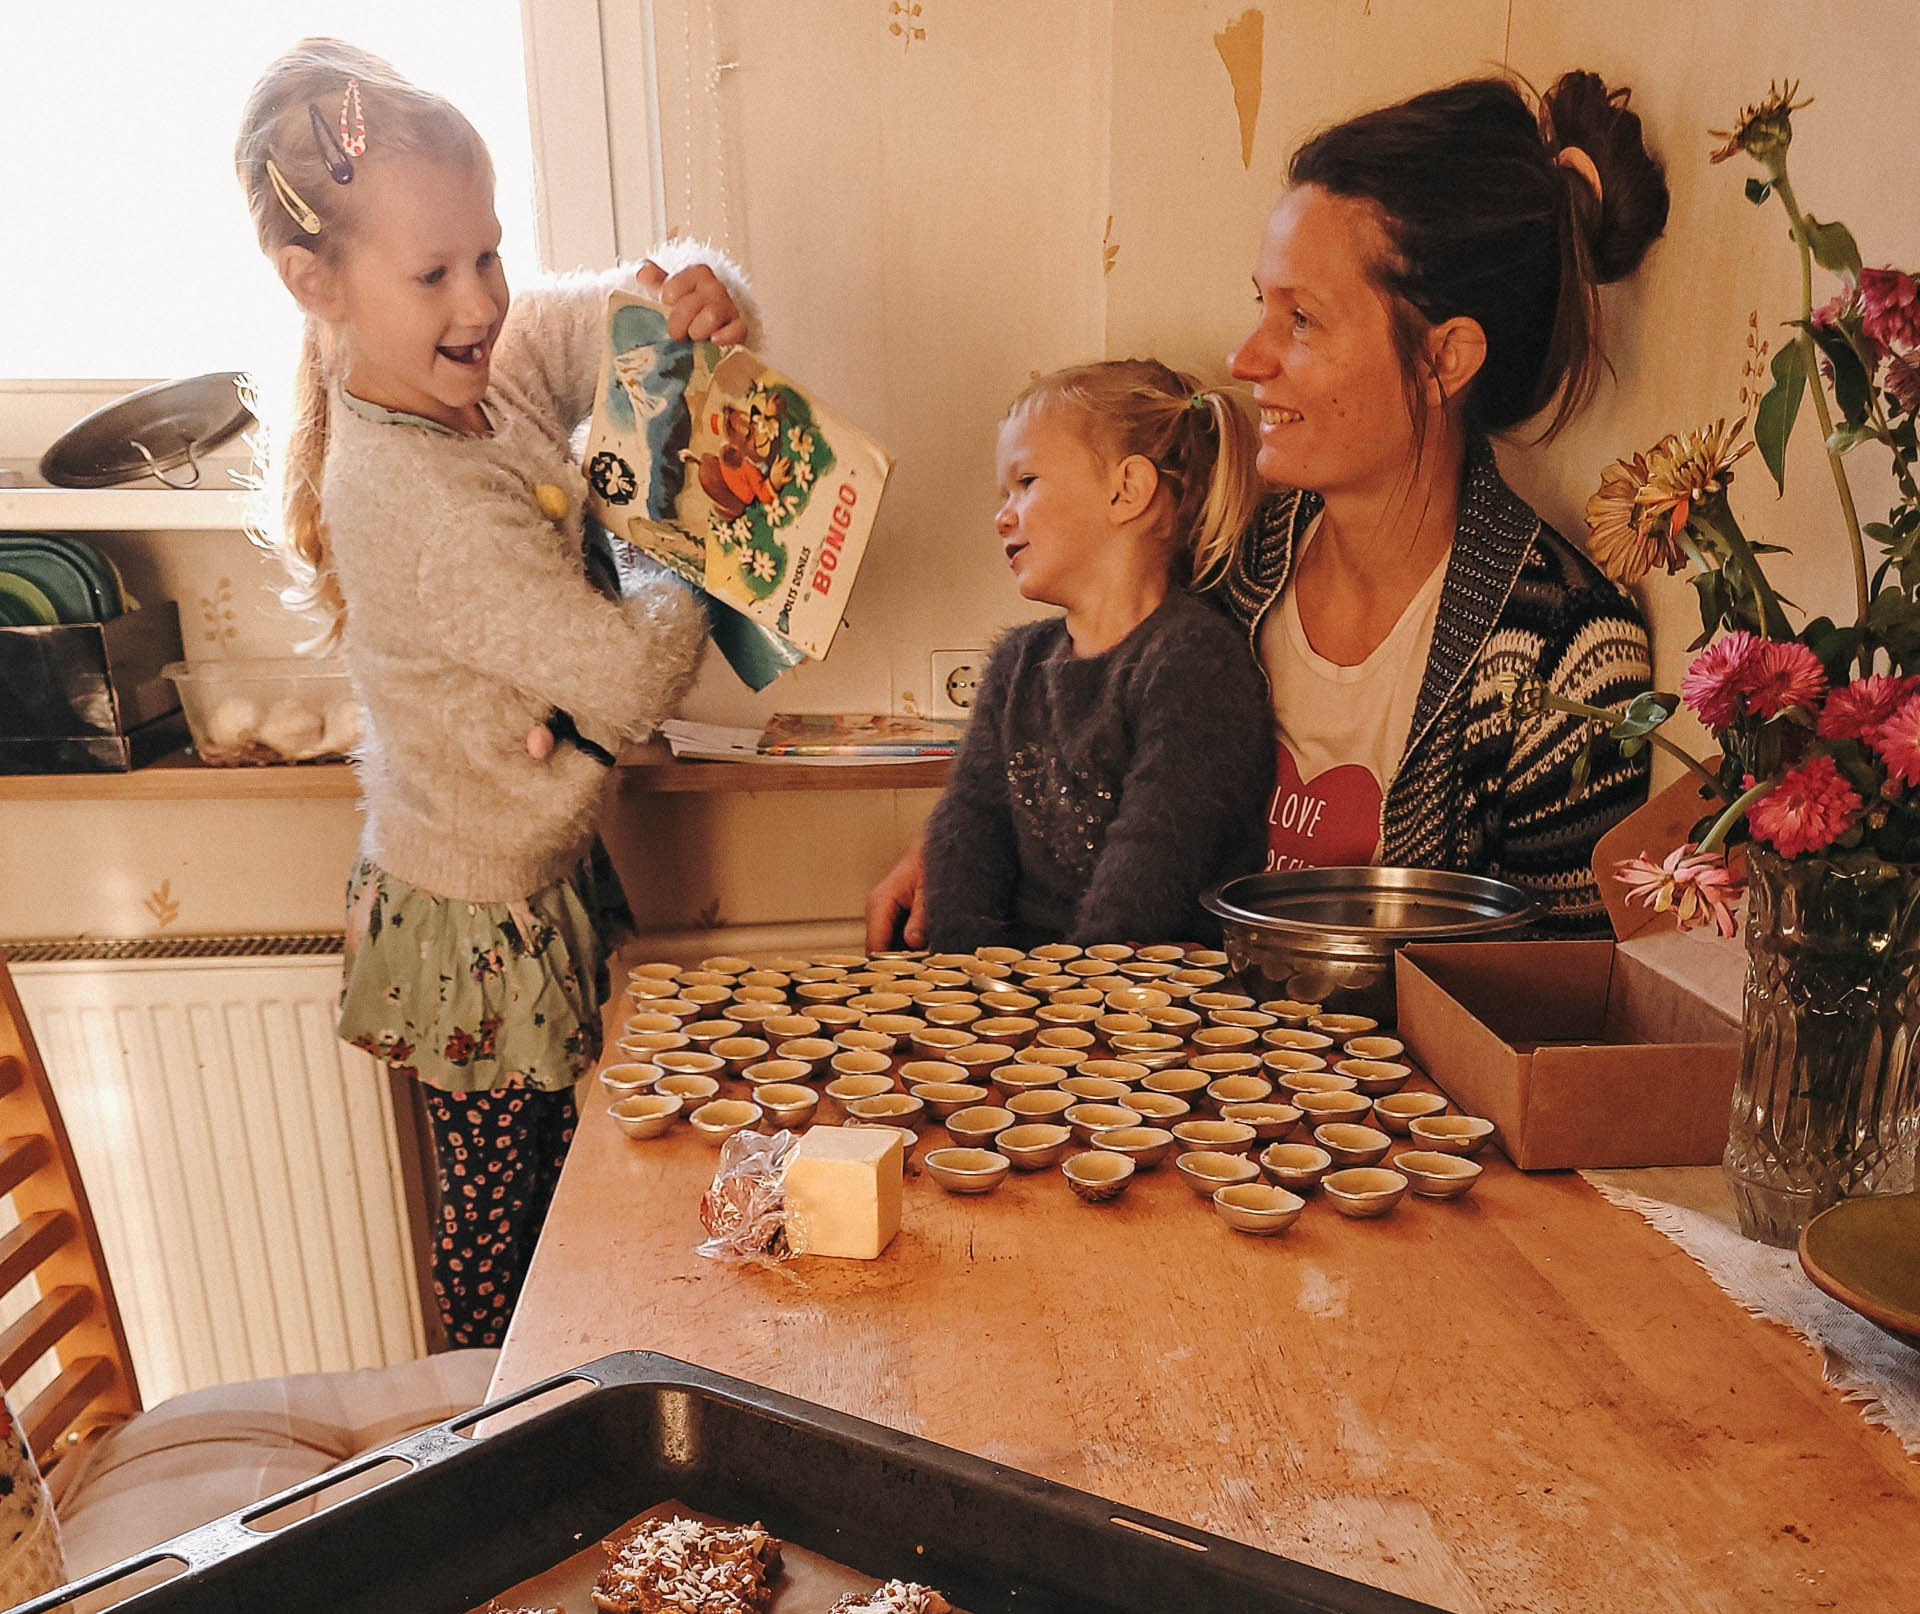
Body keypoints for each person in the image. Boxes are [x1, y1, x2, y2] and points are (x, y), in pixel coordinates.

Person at [868, 71, 1669, 951]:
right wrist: (948, 855)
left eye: (1303, 321)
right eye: (1263, 303)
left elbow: (1552, 1011)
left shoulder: (1568, 654)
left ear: (1446, 359)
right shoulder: (1223, 557)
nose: (1246, 357)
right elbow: (1081, 754)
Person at [236, 40, 750, 1348]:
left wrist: (700, 293)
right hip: (471, 923)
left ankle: (555, 1411)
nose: (480, 298)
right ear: (317, 285)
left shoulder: (470, 369)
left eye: (491, 251)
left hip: (533, 872)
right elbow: (631, 679)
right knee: (500, 1255)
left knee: (576, 1208)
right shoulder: (407, 498)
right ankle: (485, 1459)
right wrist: (680, 520)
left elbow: (626, 322)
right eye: (433, 272)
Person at [918, 359, 1275, 951]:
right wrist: (959, 971)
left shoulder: (1193, 662)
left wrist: (1076, 991)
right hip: (1028, 985)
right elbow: (970, 823)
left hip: (1140, 990)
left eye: (1026, 483)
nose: (1002, 515)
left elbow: (1155, 855)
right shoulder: (1015, 665)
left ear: (1126, 491)